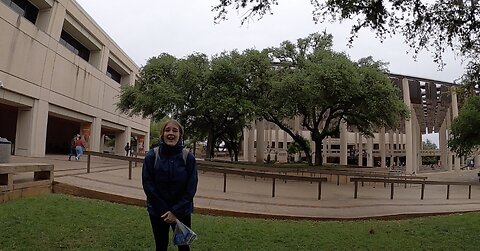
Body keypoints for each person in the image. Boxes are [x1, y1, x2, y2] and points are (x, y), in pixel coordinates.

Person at [142, 119, 198, 251]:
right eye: (167, 130)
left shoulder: (188, 158)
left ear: (180, 135)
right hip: (157, 212)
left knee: (184, 247)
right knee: (161, 246)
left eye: (175, 130)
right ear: (162, 133)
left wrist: (175, 211)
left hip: (182, 211)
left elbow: (191, 187)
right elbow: (148, 185)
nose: (171, 133)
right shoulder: (151, 156)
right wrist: (164, 210)